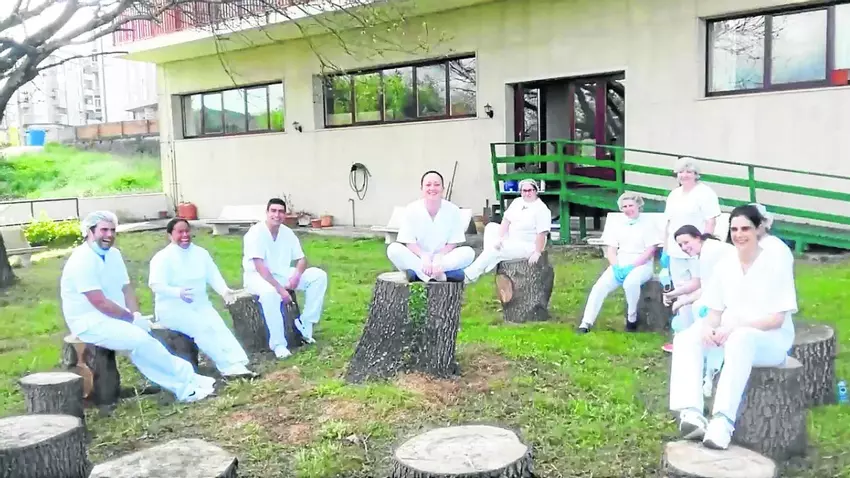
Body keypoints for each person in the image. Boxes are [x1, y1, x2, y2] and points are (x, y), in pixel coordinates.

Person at [669, 205, 797, 450]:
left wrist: (736, 327)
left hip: (769, 340)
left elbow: (776, 320)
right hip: (729, 331)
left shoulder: (775, 263)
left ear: (758, 229)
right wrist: (707, 328)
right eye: (734, 229)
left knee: (741, 339)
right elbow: (714, 311)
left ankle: (722, 422)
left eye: (745, 228)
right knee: (687, 338)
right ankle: (691, 413)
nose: (739, 234)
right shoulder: (725, 264)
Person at [60, 211, 216, 403]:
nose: (109, 235)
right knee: (141, 342)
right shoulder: (81, 260)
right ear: (89, 232)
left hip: (115, 316)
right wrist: (131, 319)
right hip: (89, 321)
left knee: (144, 345)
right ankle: (185, 385)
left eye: (112, 230)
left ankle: (187, 380)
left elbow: (126, 288)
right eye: (104, 230)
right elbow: (99, 302)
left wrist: (136, 314)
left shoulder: (114, 255)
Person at [149, 218, 254, 378]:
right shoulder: (162, 257)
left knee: (217, 325)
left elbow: (213, 275)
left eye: (187, 231)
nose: (185, 235)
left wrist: (224, 291)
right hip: (172, 309)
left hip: (200, 304)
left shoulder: (200, 253)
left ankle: (237, 361)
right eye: (180, 232)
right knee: (202, 329)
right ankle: (226, 367)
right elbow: (156, 285)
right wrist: (177, 292)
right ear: (170, 235)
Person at [243, 198, 328, 359]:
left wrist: (296, 276)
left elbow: (301, 259)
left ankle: (306, 323)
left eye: (281, 211)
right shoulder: (255, 233)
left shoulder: (287, 232)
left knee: (318, 276)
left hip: (282, 273)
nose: (277, 215)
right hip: (257, 277)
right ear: (267, 213)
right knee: (270, 294)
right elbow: (259, 266)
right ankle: (278, 344)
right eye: (273, 211)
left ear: (285, 214)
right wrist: (281, 290)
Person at [663, 224, 735, 389]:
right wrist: (674, 296)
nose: (684, 248)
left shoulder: (710, 252)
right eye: (680, 245)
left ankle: (710, 369)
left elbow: (707, 290)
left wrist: (682, 301)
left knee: (702, 313)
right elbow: (701, 285)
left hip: (734, 297)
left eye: (686, 242)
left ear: (698, 237)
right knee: (699, 310)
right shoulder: (704, 252)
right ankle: (707, 366)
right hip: (725, 294)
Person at [578, 193, 661, 333]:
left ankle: (632, 317)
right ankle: (586, 323)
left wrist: (632, 267)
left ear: (638, 205)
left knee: (630, 283)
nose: (628, 209)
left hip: (642, 264)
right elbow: (611, 249)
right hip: (620, 262)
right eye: (624, 206)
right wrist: (615, 266)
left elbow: (650, 250)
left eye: (631, 205)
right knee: (599, 287)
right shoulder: (617, 224)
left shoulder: (648, 224)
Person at [661, 156, 722, 347]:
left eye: (689, 171)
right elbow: (669, 224)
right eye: (681, 172)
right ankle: (684, 337)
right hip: (676, 250)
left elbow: (710, 221)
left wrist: (705, 245)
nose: (684, 175)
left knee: (700, 289)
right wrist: (665, 250)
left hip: (695, 249)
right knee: (681, 292)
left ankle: (702, 333)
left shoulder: (705, 193)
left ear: (696, 174)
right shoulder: (674, 195)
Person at [387, 170, 475, 282]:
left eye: (437, 185)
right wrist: (424, 256)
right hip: (418, 258)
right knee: (393, 249)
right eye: (428, 185)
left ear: (443, 189)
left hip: (443, 259)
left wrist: (439, 256)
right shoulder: (411, 209)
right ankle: (438, 276)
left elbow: (453, 243)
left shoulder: (453, 210)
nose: (432, 188)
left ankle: (419, 275)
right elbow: (409, 242)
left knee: (469, 253)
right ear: (422, 189)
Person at [463, 179, 550, 283]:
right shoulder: (517, 202)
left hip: (527, 244)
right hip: (512, 237)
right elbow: (506, 220)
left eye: (530, 190)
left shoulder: (541, 209)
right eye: (524, 190)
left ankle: (469, 275)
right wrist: (500, 239)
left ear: (536, 191)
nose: (527, 193)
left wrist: (537, 252)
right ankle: (491, 258)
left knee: (496, 249)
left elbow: (542, 234)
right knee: (491, 227)